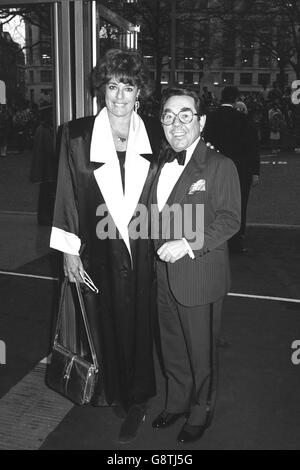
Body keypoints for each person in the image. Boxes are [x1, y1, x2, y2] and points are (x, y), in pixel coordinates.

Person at [50, 49, 162, 444]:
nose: (119, 96)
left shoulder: (154, 136)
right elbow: (65, 191)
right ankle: (110, 388)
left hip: (142, 248)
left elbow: (168, 196)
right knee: (104, 319)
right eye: (112, 86)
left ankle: (138, 396)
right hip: (96, 248)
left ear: (139, 93)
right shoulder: (76, 134)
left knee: (139, 321)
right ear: (102, 90)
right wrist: (68, 250)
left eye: (127, 87)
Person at [151, 87, 241, 443]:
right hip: (162, 273)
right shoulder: (159, 162)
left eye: (185, 114)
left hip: (199, 273)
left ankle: (201, 410)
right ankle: (176, 402)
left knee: (201, 352)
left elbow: (230, 220)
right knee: (172, 345)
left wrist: (188, 243)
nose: (177, 123)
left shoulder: (220, 165)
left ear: (201, 121)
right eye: (169, 116)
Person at [204, 86, 260, 254]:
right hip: (240, 169)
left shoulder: (210, 118)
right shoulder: (243, 119)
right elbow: (252, 146)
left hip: (213, 166)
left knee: (213, 203)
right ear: (236, 99)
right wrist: (255, 171)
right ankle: (235, 241)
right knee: (238, 204)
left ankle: (214, 238)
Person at [30, 105, 57, 225]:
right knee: (46, 194)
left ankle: (46, 216)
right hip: (46, 168)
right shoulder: (43, 130)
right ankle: (44, 217)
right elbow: (47, 149)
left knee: (47, 193)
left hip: (47, 168)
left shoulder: (44, 129)